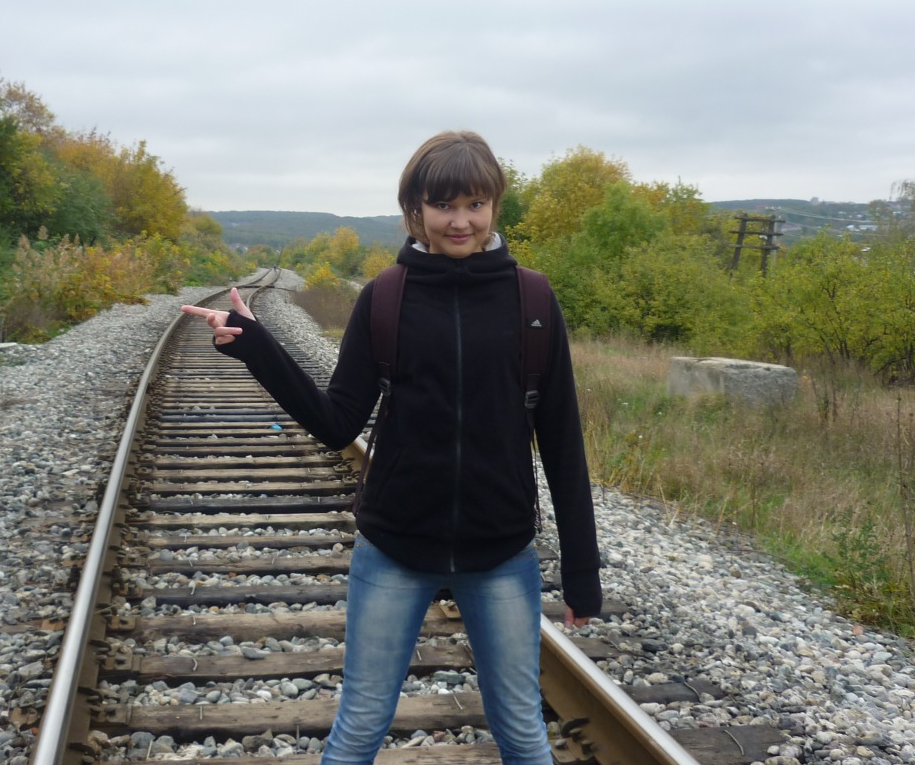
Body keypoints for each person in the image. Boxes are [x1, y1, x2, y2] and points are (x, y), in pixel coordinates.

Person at [182, 130, 601, 765]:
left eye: (475, 204)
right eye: (443, 205)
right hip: (394, 549)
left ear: (494, 206)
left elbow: (563, 440)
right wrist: (255, 346)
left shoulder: (533, 298)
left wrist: (581, 573)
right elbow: (336, 422)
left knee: (522, 730)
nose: (460, 221)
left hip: (500, 552)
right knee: (359, 727)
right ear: (415, 210)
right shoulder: (385, 297)